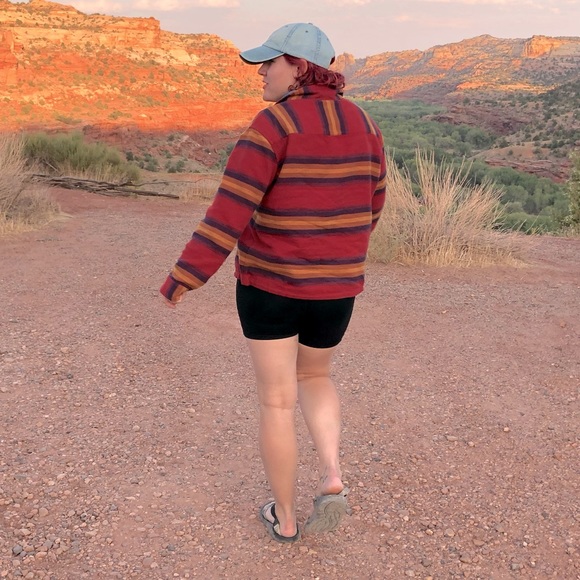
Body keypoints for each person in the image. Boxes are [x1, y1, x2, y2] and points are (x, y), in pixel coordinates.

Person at [160, 22, 386, 543]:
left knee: (278, 401)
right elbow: (373, 204)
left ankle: (284, 519)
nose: (261, 72)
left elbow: (229, 211)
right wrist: (339, 254)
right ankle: (331, 473)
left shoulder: (273, 125)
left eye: (270, 62)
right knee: (317, 377)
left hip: (270, 288)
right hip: (337, 290)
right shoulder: (366, 124)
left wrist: (184, 277)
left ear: (299, 67)